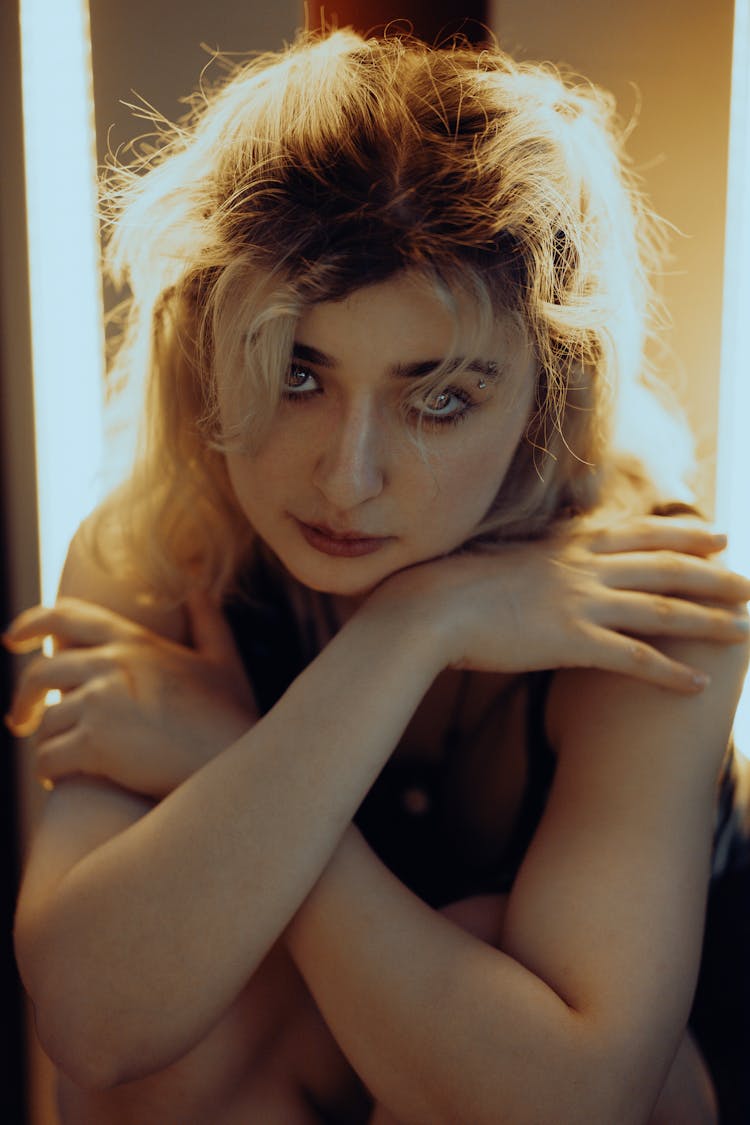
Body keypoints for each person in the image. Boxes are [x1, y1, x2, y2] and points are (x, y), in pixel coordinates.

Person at [5, 28, 750, 1125]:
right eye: (297, 371)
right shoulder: (158, 549)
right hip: (312, 1081)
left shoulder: (651, 606)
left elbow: (574, 1099)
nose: (347, 479)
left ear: (546, 397)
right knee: (184, 1030)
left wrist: (249, 744)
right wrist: (406, 640)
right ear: (205, 345)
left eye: (440, 396)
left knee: (490, 958)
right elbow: (96, 1024)